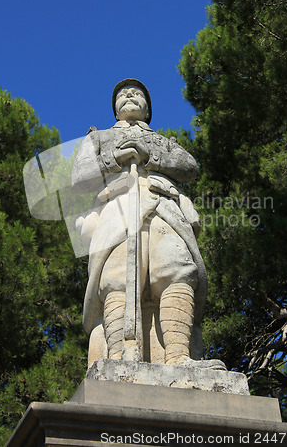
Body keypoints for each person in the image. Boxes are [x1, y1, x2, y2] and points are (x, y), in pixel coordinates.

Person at [71, 79, 207, 365]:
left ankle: (179, 357)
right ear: (115, 109)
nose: (129, 95)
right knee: (116, 279)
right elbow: (79, 178)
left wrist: (151, 157)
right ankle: (120, 358)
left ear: (148, 111)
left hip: (163, 207)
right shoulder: (98, 138)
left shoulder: (164, 141)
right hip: (117, 209)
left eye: (137, 94)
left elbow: (189, 167)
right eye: (122, 94)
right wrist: (114, 158)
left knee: (177, 271)